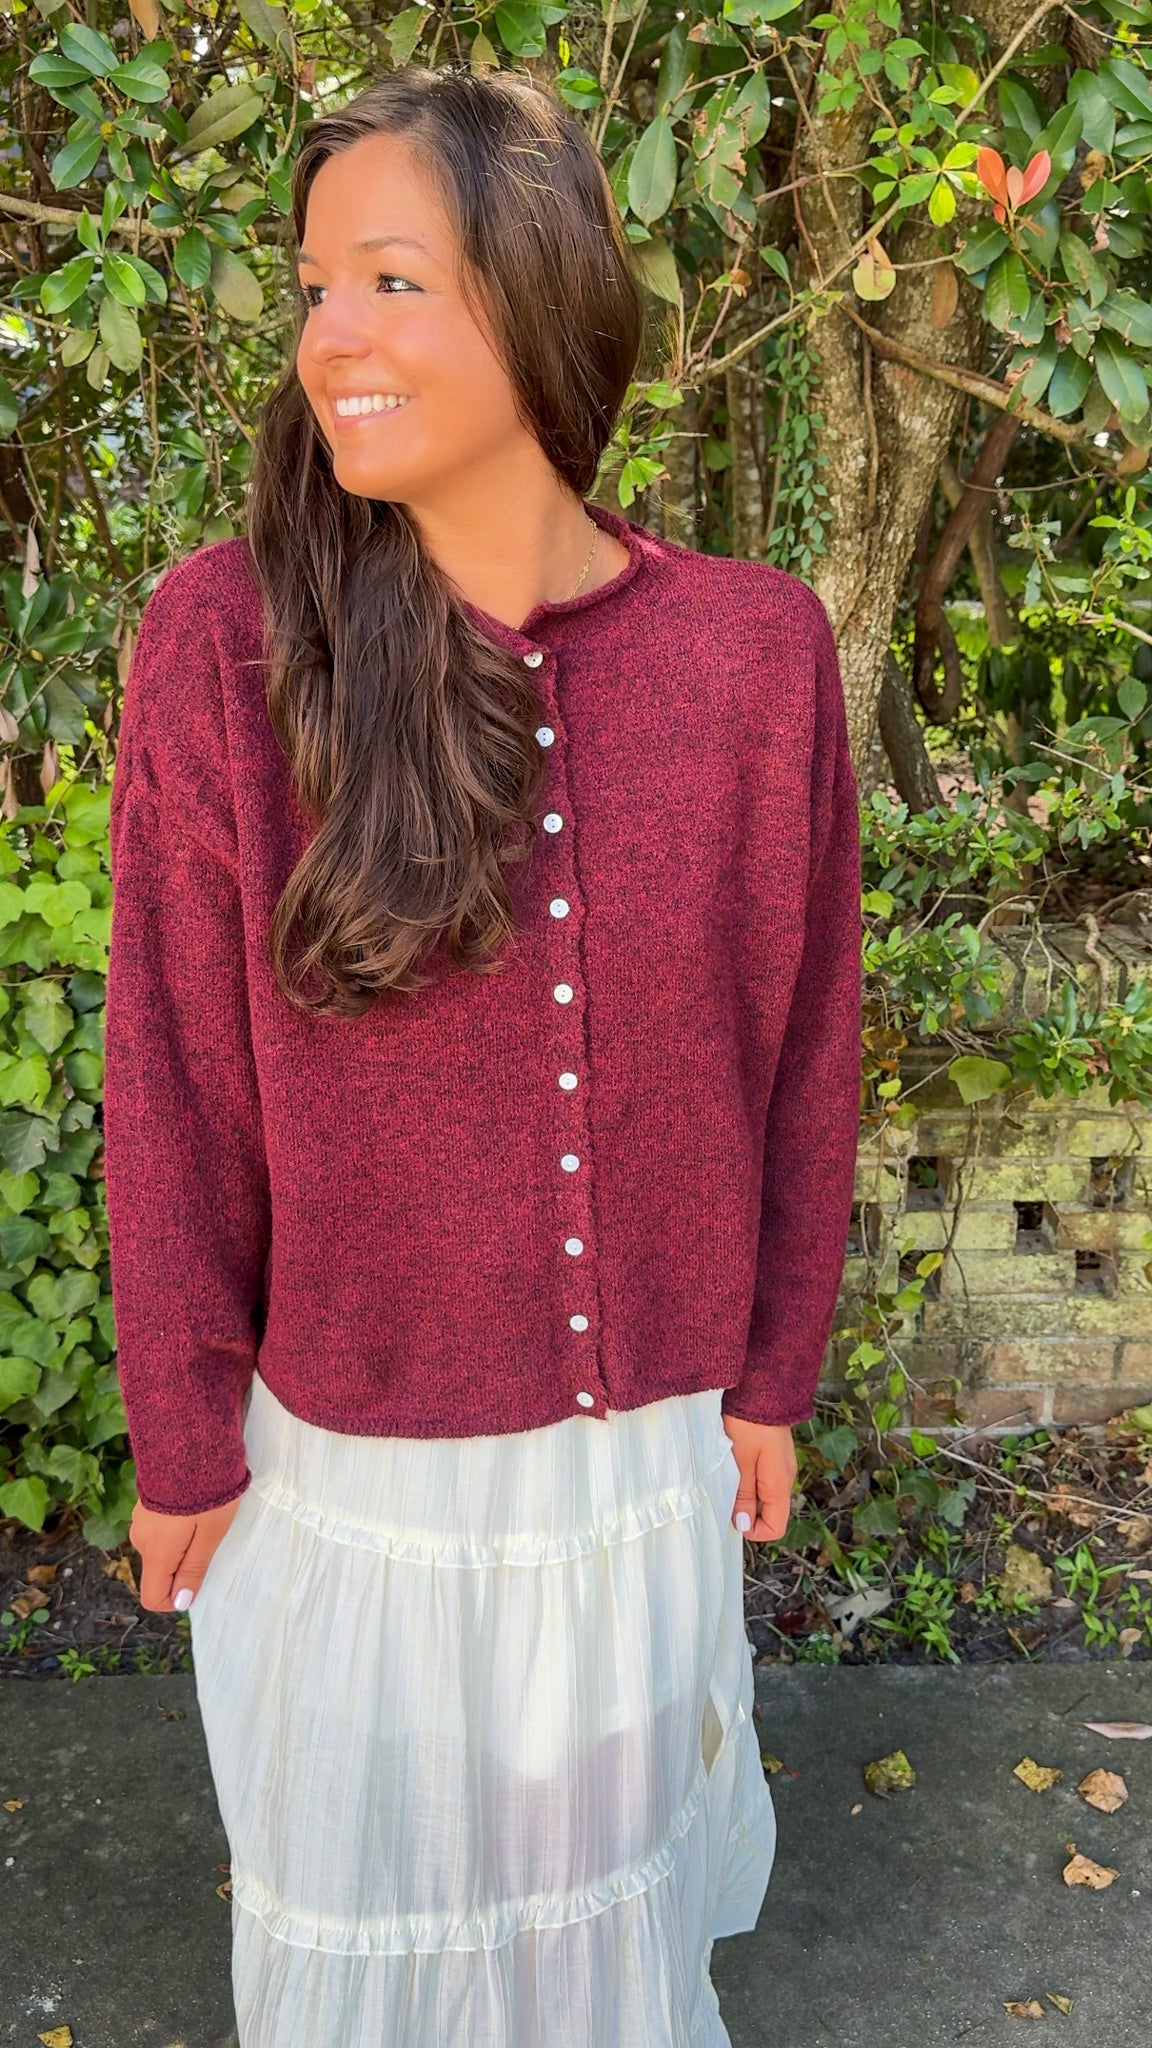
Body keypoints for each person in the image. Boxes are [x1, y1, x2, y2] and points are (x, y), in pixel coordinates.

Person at [102, 62, 863, 2048]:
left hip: (637, 1473)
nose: (330, 336)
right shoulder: (224, 647)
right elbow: (172, 1075)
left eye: (391, 280)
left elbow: (803, 1051)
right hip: (350, 1465)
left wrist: (771, 1364)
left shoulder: (756, 657)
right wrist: (181, 1419)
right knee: (376, 1915)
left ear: (541, 300)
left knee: (593, 1903)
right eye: (312, 287)